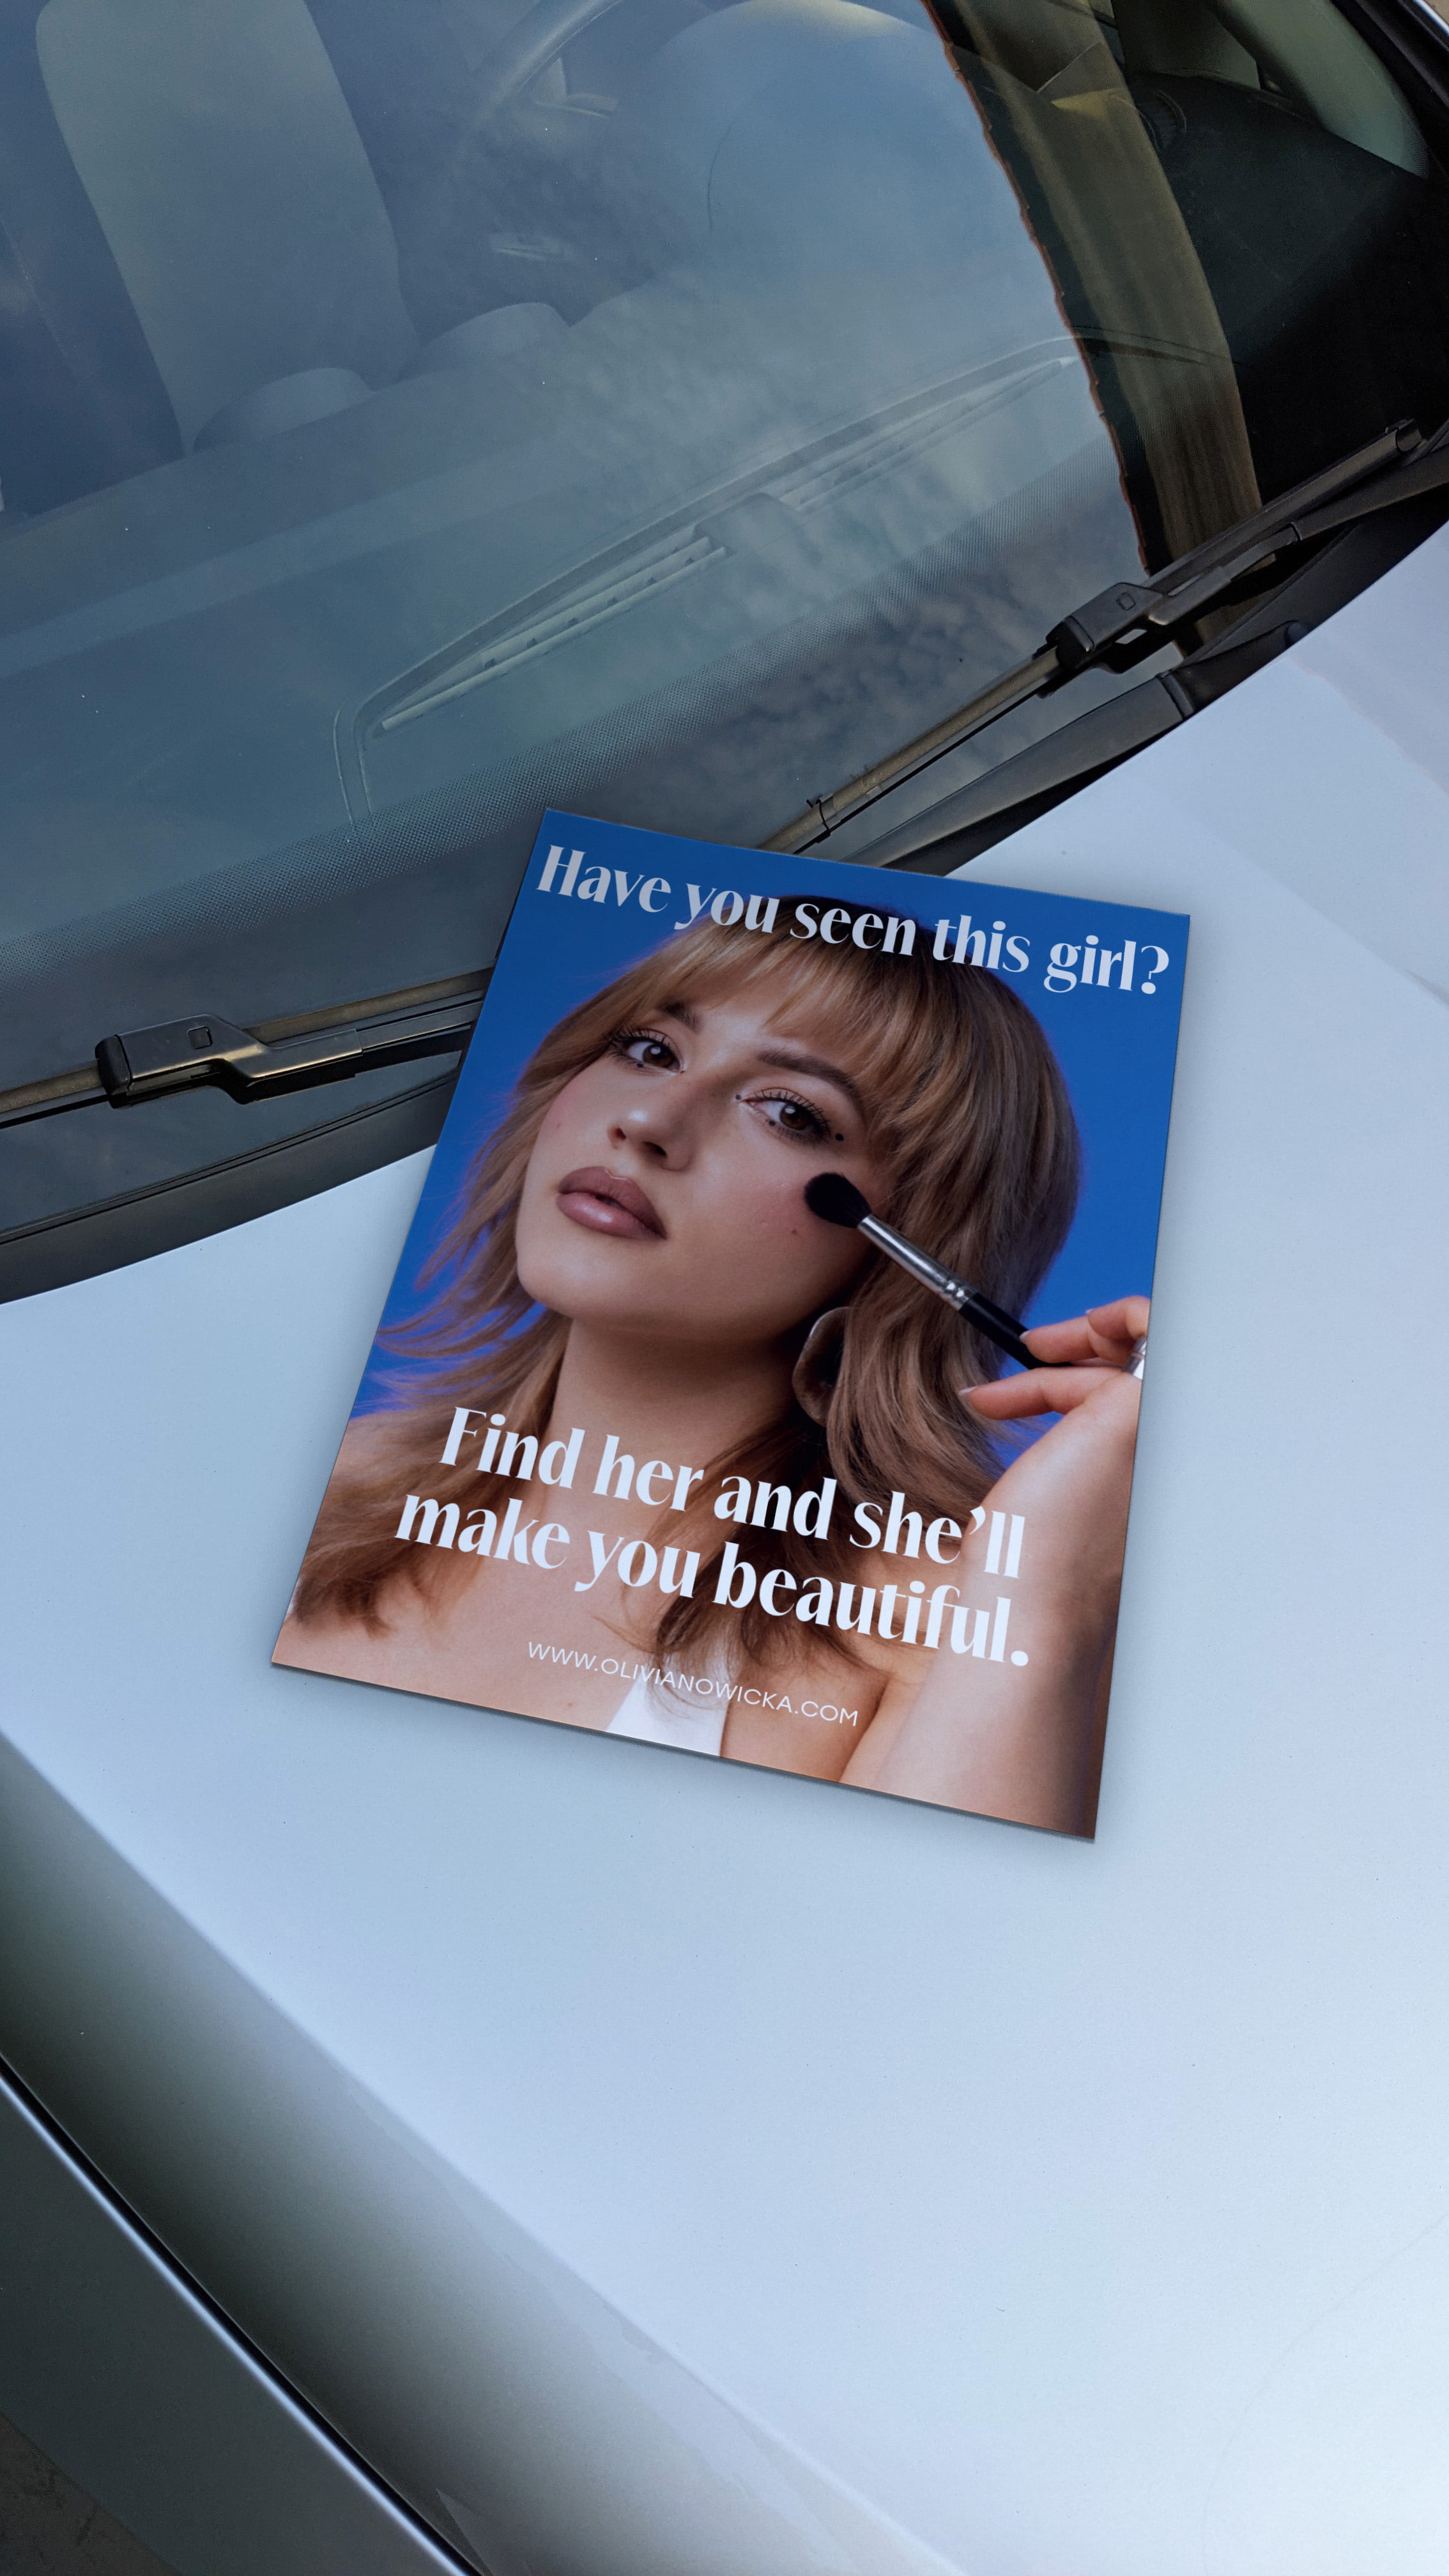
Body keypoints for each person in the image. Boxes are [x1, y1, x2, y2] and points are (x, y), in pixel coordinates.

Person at [275, 899, 1146, 1834]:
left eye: (791, 1114)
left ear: (911, 1246)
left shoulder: (944, 1642)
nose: (649, 1119)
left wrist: (1044, 1596)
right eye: (651, 1049)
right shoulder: (348, 1479)